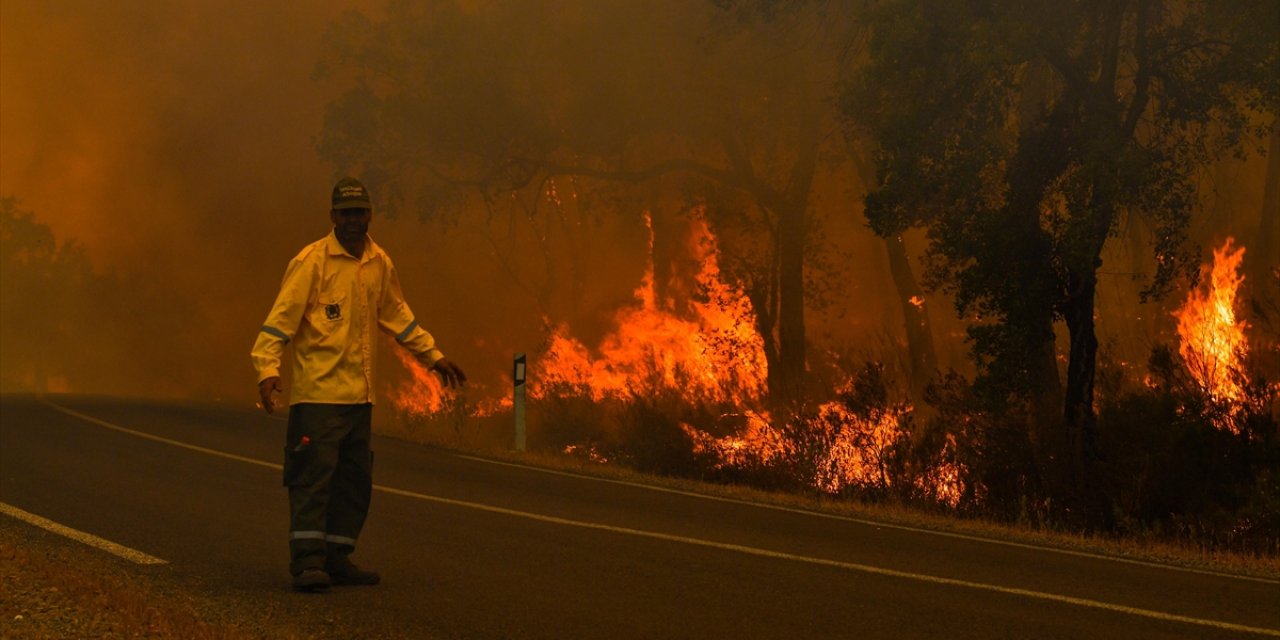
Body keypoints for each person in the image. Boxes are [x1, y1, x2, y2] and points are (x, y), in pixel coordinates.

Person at [251, 177, 466, 593]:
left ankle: (337, 557)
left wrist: (433, 357)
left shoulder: (378, 262)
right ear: (333, 216)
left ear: (370, 215)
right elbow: (279, 322)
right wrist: (267, 370)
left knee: (353, 482)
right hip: (317, 396)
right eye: (346, 213)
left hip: (359, 399)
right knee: (312, 481)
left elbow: (398, 315)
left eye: (360, 212)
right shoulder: (311, 262)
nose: (354, 220)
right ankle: (308, 564)